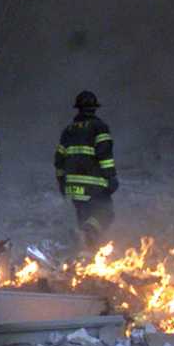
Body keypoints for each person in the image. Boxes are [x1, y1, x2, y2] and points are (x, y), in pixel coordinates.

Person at [54, 90, 118, 250]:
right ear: (94, 108)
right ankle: (86, 234)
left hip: (73, 187)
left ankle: (86, 253)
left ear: (78, 109)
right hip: (94, 185)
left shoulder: (68, 131)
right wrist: (111, 177)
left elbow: (59, 160)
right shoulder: (99, 127)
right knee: (105, 214)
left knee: (84, 217)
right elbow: (105, 155)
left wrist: (62, 182)